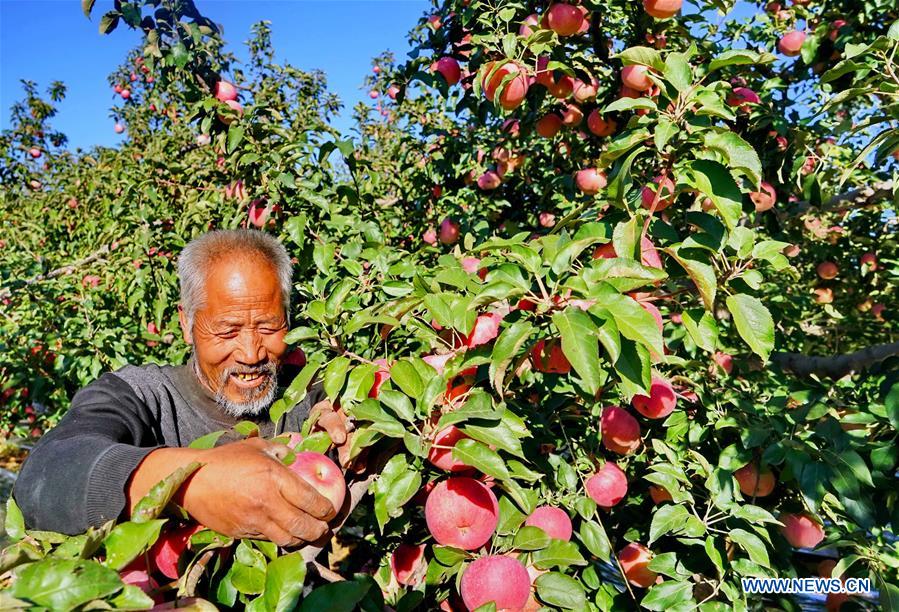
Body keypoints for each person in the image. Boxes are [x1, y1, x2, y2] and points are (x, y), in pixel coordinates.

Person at [13, 229, 350, 548]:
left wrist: (349, 419)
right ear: (187, 324)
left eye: (268, 326)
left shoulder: (308, 392)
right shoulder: (141, 396)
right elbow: (45, 476)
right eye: (227, 330)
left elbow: (347, 410)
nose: (251, 353)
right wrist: (189, 482)